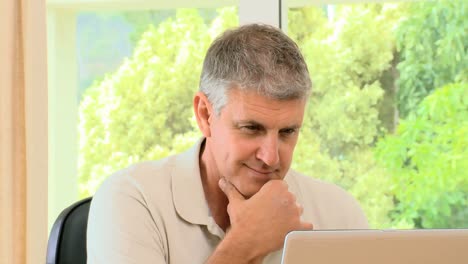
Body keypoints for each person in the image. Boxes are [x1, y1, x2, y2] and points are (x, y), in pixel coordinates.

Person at [87, 23, 368, 264]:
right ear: (205, 115)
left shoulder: (339, 213)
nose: (271, 157)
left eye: (287, 132)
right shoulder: (131, 199)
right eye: (251, 128)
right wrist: (244, 244)